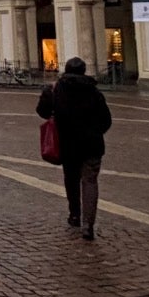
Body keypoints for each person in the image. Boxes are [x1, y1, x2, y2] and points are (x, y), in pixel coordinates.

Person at [37, 57, 113, 241]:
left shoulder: (56, 89)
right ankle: (88, 225)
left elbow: (42, 111)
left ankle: (75, 215)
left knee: (71, 180)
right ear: (84, 71)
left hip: (68, 143)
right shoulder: (93, 91)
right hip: (92, 144)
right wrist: (94, 132)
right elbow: (106, 120)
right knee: (90, 182)